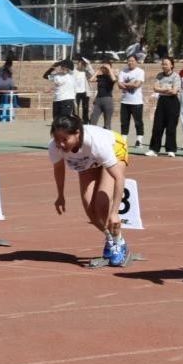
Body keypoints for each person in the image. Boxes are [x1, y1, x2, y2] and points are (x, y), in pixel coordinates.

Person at [49, 114, 131, 266]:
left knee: (101, 204)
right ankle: (110, 239)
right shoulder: (55, 147)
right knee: (90, 211)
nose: (60, 144)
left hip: (114, 149)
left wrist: (114, 213)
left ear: (77, 134)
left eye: (65, 139)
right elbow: (59, 169)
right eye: (57, 139)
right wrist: (60, 195)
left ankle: (120, 242)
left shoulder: (96, 143)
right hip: (87, 161)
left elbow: (119, 178)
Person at [146, 57, 181, 157]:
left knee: (171, 127)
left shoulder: (176, 76)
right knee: (157, 126)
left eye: (166, 64)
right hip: (162, 101)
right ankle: (154, 149)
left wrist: (161, 89)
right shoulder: (159, 75)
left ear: (172, 65)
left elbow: (174, 91)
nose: (164, 66)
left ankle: (171, 149)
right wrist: (166, 89)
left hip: (173, 102)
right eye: (163, 64)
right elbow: (155, 88)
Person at [118, 55, 146, 147]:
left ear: (136, 62)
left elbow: (137, 85)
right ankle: (124, 140)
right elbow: (119, 85)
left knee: (138, 122)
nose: (130, 62)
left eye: (132, 61)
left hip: (136, 102)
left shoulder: (140, 72)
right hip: (124, 101)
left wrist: (125, 84)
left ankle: (139, 140)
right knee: (124, 122)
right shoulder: (123, 71)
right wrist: (130, 84)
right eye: (129, 61)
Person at [89, 61, 117, 129]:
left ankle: (107, 134)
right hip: (98, 100)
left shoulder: (111, 76)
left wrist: (109, 69)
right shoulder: (100, 77)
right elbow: (91, 79)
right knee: (93, 120)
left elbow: (114, 79)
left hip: (107, 100)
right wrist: (98, 70)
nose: (105, 68)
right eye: (104, 67)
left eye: (106, 67)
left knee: (107, 123)